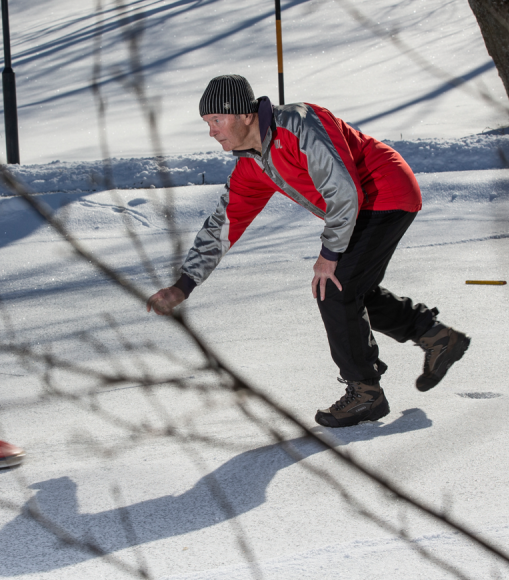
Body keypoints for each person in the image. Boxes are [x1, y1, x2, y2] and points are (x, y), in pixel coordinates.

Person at [147, 74, 470, 428]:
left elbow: (344, 189)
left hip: (385, 191)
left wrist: (329, 253)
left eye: (216, 120)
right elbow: (222, 226)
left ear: (244, 115)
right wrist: (184, 284)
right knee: (349, 288)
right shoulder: (252, 165)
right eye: (207, 123)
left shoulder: (300, 123)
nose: (211, 131)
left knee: (333, 286)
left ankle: (365, 392)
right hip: (360, 207)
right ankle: (436, 337)